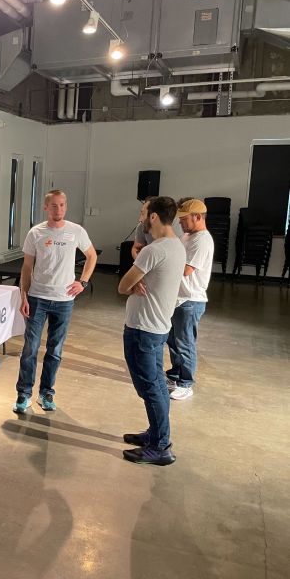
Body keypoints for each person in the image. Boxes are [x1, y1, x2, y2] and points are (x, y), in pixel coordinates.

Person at [14, 189, 97, 413]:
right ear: (45, 207)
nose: (58, 209)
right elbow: (27, 267)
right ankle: (23, 394)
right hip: (38, 298)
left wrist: (83, 282)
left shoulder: (76, 231)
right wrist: (24, 296)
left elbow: (92, 256)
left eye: (62, 205)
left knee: (55, 350)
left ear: (66, 206)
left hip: (64, 300)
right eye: (53, 205)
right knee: (30, 349)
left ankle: (46, 393)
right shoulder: (36, 233)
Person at [118, 197, 186, 466]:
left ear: (155, 217)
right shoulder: (176, 246)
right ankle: (156, 434)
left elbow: (123, 285)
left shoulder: (154, 250)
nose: (141, 218)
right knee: (155, 385)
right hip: (154, 327)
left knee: (151, 387)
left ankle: (160, 446)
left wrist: (133, 282)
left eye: (143, 213)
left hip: (144, 329)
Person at [167, 199, 214, 401]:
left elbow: (186, 269)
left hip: (190, 300)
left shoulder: (202, 240)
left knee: (185, 342)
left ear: (197, 217)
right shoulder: (188, 235)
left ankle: (186, 383)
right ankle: (176, 374)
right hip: (177, 298)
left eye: (184, 219)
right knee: (173, 340)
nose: (181, 224)